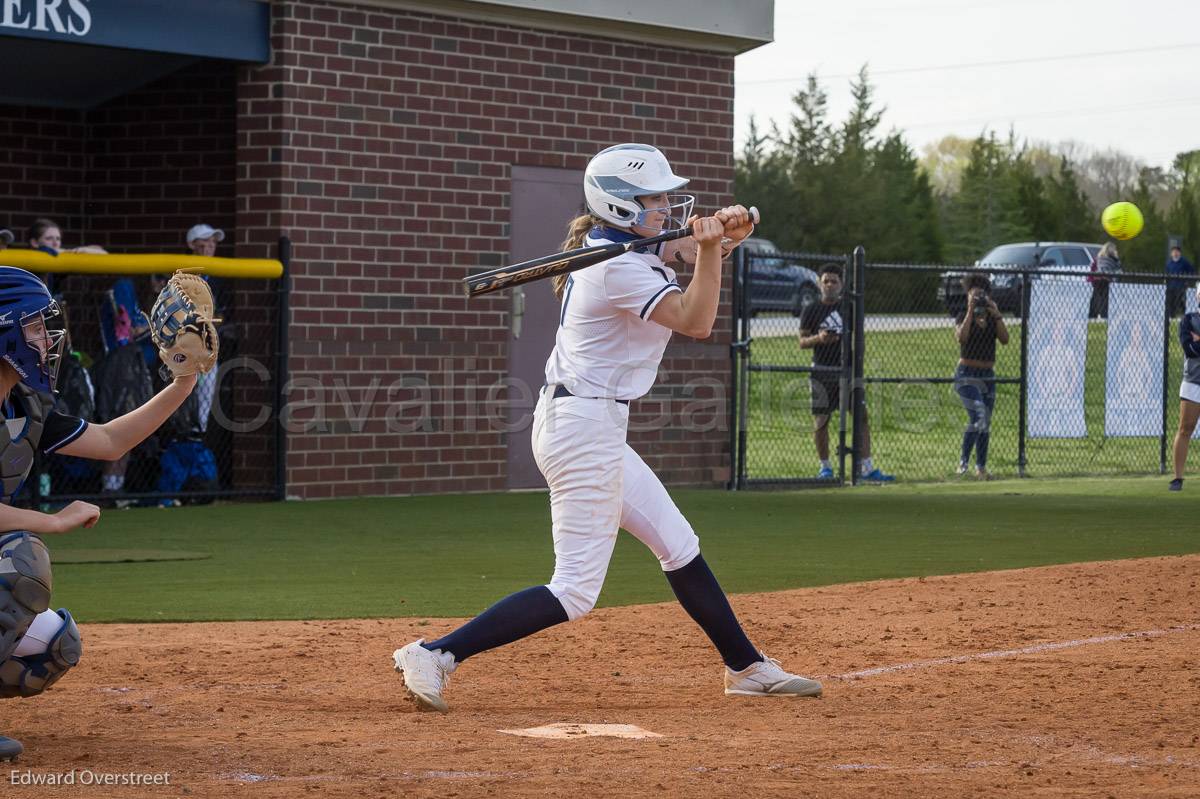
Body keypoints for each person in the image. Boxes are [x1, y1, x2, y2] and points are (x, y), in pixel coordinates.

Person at [392, 143, 822, 713]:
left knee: (678, 544)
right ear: (618, 207)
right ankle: (435, 653)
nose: (666, 206)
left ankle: (747, 667)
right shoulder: (616, 267)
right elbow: (696, 320)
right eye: (654, 198)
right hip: (583, 427)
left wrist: (726, 236)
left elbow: (686, 249)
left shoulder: (618, 248)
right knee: (573, 590)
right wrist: (715, 248)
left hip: (589, 422)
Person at [0, 267, 203, 760]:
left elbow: (111, 441)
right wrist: (51, 520)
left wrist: (184, 378)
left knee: (51, 647)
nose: (46, 338)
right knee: (20, 560)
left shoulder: (22, 404)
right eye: (33, 326)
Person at [797, 263, 893, 482]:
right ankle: (825, 468)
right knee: (822, 419)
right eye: (826, 281)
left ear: (841, 284)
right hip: (822, 370)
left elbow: (859, 337)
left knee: (861, 416)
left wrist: (857, 365)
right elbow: (802, 342)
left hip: (848, 371)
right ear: (819, 283)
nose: (830, 285)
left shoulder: (849, 307)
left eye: (834, 281)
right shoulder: (811, 309)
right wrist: (819, 339)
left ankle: (866, 468)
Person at [954, 274, 1009, 479]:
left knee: (985, 420)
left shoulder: (992, 317)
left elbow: (1005, 339)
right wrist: (970, 311)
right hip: (966, 374)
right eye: (974, 294)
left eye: (982, 294)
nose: (978, 298)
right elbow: (961, 338)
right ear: (968, 295)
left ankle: (981, 467)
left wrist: (997, 314)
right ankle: (963, 463)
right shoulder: (962, 316)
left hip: (988, 375)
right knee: (979, 415)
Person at [1169, 283, 1200, 491]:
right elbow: (1190, 349)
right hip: (1193, 382)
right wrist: (1195, 342)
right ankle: (1178, 478)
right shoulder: (1189, 319)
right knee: (1185, 428)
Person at [26, 218, 107, 255]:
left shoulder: (62, 255)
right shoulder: (35, 255)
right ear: (34, 242)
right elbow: (46, 251)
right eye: (49, 238)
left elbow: (104, 253)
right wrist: (74, 251)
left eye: (58, 239)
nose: (55, 243)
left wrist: (81, 250)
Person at [1089, 242, 1120, 319]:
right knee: (1104, 300)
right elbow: (1118, 271)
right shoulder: (1115, 260)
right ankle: (1104, 315)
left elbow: (1094, 269)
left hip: (1097, 279)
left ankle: (1093, 315)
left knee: (1095, 298)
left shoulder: (1099, 258)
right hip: (1106, 280)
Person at [1167, 245, 1195, 318]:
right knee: (1171, 303)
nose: (1175, 253)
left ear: (1180, 253)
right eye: (1173, 252)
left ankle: (1181, 317)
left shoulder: (1184, 262)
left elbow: (1191, 271)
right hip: (1171, 287)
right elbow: (1167, 274)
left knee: (1180, 303)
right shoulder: (1169, 263)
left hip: (1181, 287)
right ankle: (1171, 317)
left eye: (1177, 251)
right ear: (1171, 253)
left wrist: (1187, 281)